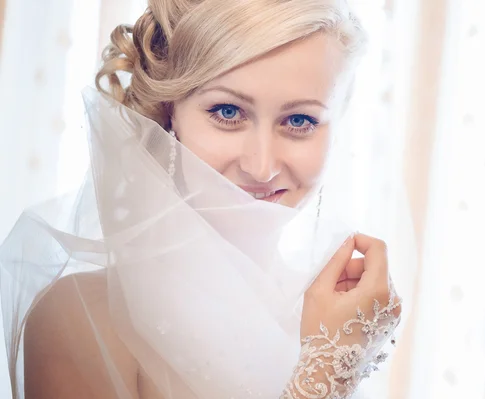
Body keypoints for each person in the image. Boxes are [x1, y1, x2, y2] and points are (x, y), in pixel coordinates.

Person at [0, 1, 404, 398]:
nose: (261, 167)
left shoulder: (336, 312)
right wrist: (328, 371)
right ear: (169, 113)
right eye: (228, 112)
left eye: (300, 121)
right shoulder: (80, 316)